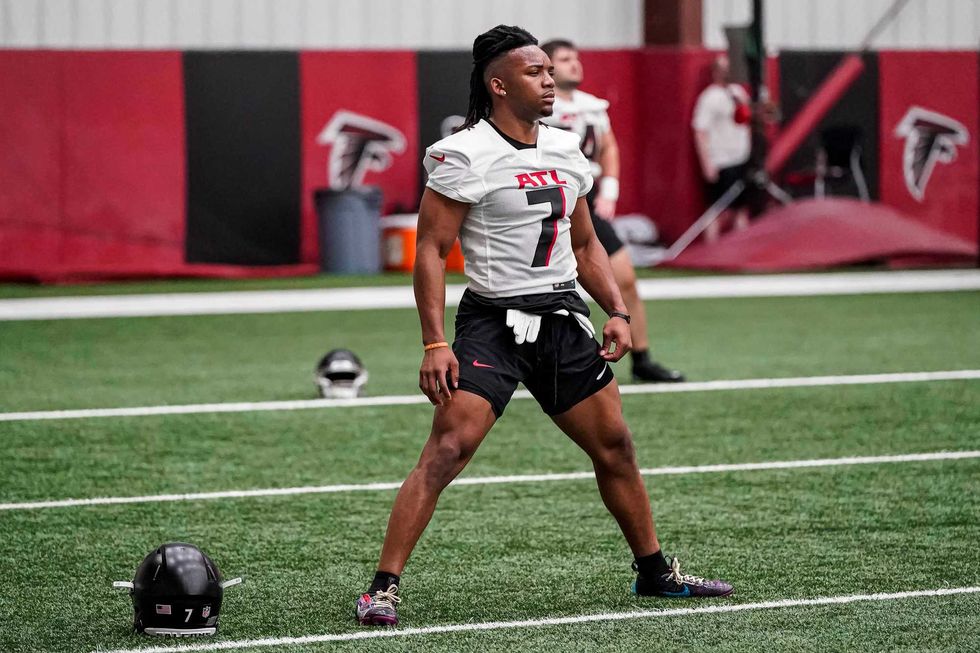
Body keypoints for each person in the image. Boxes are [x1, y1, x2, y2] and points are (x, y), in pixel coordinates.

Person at [354, 25, 732, 628]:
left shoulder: (563, 148)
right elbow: (430, 249)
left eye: (550, 71)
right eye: (536, 72)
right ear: (498, 84)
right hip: (493, 322)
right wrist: (433, 341)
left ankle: (655, 573)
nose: (550, 79)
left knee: (617, 447)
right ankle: (381, 588)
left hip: (561, 319)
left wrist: (618, 311)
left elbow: (585, 246)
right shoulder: (464, 153)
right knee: (448, 448)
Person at [539, 39, 684, 383]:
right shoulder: (538, 106)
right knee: (541, 288)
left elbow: (608, 148)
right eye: (565, 59)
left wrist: (611, 191)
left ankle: (643, 357)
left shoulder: (592, 106)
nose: (575, 64)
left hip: (584, 202)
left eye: (576, 57)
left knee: (625, 280)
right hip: (546, 203)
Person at [692, 54, 752, 242]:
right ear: (715, 72)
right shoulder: (709, 97)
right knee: (717, 208)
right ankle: (711, 250)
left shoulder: (738, 93)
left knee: (741, 208)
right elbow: (700, 131)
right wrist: (707, 163)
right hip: (721, 160)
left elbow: (746, 122)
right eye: (723, 69)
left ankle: (740, 249)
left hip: (741, 156)